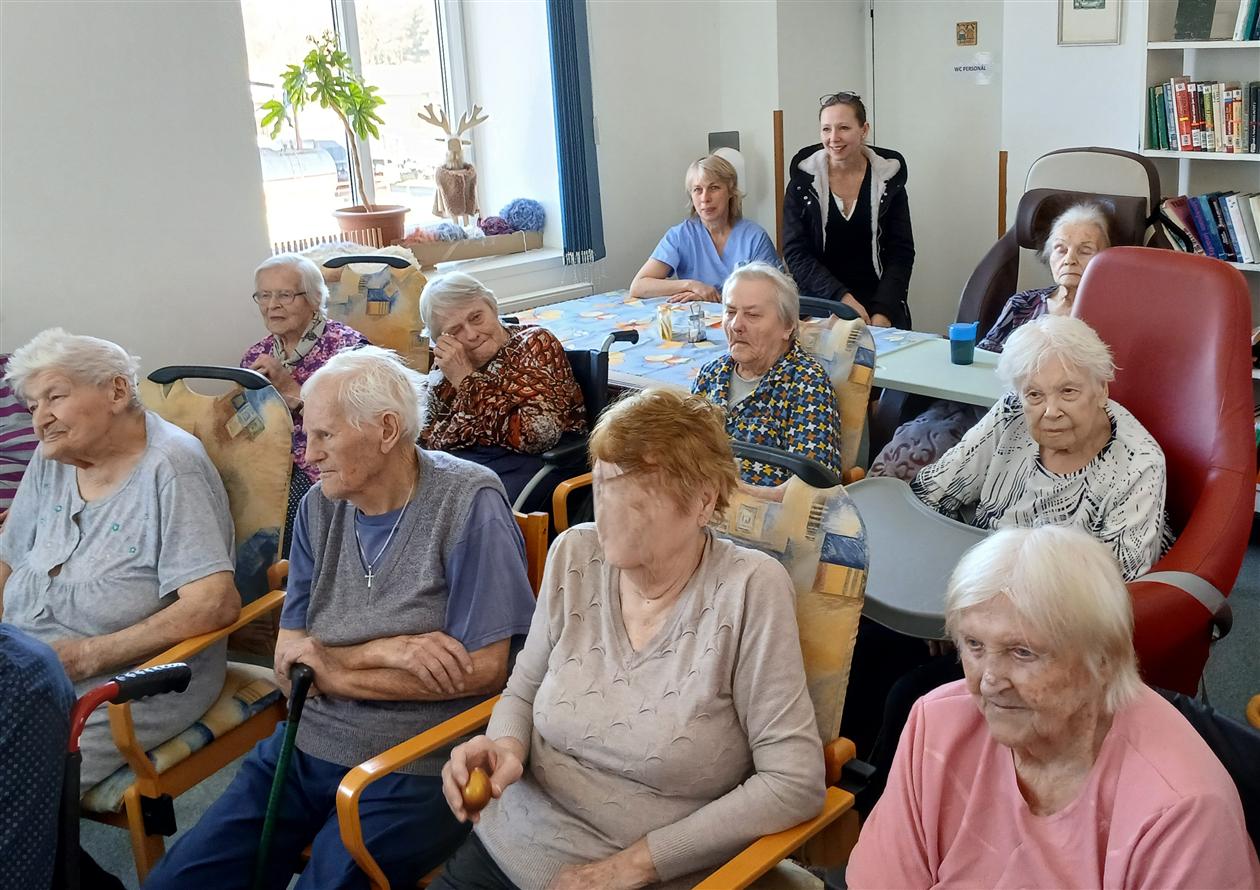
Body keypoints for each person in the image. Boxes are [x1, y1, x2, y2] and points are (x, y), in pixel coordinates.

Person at [145, 346, 537, 890]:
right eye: (307, 434)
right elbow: (289, 664)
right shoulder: (320, 506)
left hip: (417, 759)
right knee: (180, 881)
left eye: (325, 436)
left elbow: (484, 670)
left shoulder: (467, 502)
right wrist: (384, 650)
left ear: (386, 429)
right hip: (306, 742)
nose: (309, 455)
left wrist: (325, 667)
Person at [433, 388, 825, 890]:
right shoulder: (574, 554)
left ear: (703, 500)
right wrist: (505, 747)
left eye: (635, 497)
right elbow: (524, 690)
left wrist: (633, 866)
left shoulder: (750, 589)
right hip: (510, 845)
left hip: (647, 876)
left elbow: (794, 782)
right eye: (602, 486)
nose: (608, 514)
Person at [842, 314, 1172, 807]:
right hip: (964, 596)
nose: (1050, 411)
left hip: (1045, 632)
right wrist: (953, 605)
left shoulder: (1138, 463)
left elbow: (1108, 596)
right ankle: (836, 788)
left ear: (1101, 389)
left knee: (912, 694)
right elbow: (933, 494)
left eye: (1068, 392)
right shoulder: (1010, 417)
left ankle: (887, 812)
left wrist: (978, 626)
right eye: (1034, 394)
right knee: (861, 640)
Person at [848, 525, 1260, 889]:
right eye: (974, 645)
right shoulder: (935, 723)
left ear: (1103, 659)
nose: (989, 681)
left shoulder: (1182, 811)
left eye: (1022, 652)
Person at [0, 329, 239, 788]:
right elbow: (7, 560)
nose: (41, 419)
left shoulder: (171, 467)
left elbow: (213, 603)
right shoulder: (51, 459)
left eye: (55, 397)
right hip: (26, 671)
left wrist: (86, 657)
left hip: (124, 687)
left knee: (13, 783)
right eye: (32, 407)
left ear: (115, 391)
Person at [870, 202, 1115, 480]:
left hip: (1037, 424)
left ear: (1104, 260)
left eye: (1084, 250)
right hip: (976, 410)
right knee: (908, 445)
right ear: (1049, 255)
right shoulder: (1022, 304)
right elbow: (982, 360)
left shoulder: (1108, 316)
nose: (1070, 259)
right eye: (1060, 248)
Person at [418, 272, 586, 502]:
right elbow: (425, 436)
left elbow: (537, 436)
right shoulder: (448, 363)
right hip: (464, 468)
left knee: (459, 504)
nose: (472, 334)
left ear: (493, 307)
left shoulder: (533, 343)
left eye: (476, 317)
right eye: (455, 331)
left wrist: (466, 380)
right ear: (441, 340)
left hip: (533, 466)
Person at [240, 253, 368, 551]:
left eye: (285, 295)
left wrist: (291, 389)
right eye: (264, 295)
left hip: (328, 470)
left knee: (289, 512)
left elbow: (361, 427)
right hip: (268, 468)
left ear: (314, 298)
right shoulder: (255, 356)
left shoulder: (349, 350)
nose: (272, 305)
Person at [692, 262, 843, 485]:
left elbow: (814, 484)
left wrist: (736, 494)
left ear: (788, 326)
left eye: (752, 315)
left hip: (761, 504)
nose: (736, 325)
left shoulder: (807, 383)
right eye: (730, 312)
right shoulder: (711, 374)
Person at [783, 91, 914, 328]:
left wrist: (883, 312)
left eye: (843, 128)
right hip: (821, 305)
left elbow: (901, 253)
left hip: (880, 307)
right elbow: (795, 253)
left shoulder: (889, 181)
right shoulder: (801, 184)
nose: (834, 138)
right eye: (826, 129)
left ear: (864, 130)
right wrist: (842, 300)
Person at [630, 153, 781, 303]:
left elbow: (774, 295)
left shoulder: (755, 238)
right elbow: (639, 286)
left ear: (730, 191)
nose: (705, 198)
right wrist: (692, 286)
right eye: (697, 189)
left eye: (714, 188)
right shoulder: (680, 236)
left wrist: (713, 298)